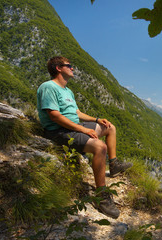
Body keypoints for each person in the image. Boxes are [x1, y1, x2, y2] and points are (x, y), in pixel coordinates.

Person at [37, 56, 132, 219]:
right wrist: (83, 129)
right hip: (58, 131)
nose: (73, 68)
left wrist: (96, 120)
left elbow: (77, 113)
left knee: (110, 128)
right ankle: (101, 196)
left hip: (73, 127)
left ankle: (114, 164)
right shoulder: (48, 87)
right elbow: (55, 116)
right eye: (69, 66)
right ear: (58, 68)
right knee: (100, 147)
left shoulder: (68, 91)